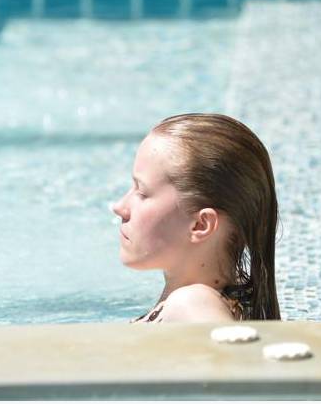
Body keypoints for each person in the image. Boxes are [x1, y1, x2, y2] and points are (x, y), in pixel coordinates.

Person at [111, 113, 281, 323]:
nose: (120, 207)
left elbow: (232, 341)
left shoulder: (192, 303)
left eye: (142, 193)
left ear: (200, 225)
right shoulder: (225, 296)